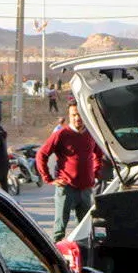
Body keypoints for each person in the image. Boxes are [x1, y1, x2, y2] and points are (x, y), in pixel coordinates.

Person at [37, 102, 108, 242]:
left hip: (86, 189)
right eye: (73, 115)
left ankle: (83, 258)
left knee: (85, 229)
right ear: (69, 116)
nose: (77, 118)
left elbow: (98, 155)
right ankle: (56, 259)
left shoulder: (91, 133)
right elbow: (41, 154)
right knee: (59, 229)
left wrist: (94, 174)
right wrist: (49, 178)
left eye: (80, 115)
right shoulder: (61, 134)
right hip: (66, 187)